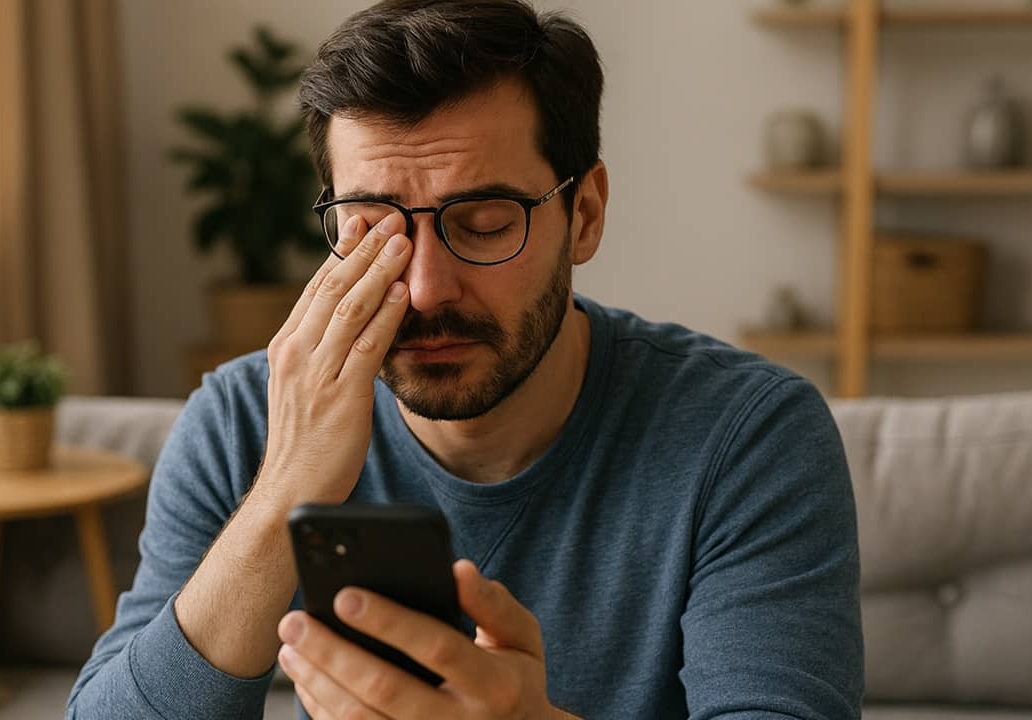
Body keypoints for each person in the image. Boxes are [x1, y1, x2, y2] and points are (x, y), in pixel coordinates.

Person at [68, 1, 864, 718]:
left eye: (484, 223)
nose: (423, 288)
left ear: (583, 216)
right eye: (374, 227)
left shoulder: (749, 436)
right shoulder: (248, 416)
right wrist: (285, 491)